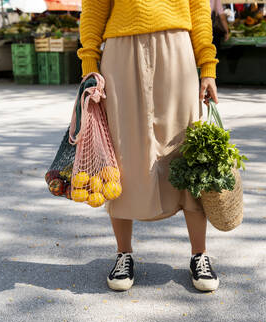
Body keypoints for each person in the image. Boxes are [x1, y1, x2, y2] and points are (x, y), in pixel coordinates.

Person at [78, 0, 220, 292]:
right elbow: (93, 7)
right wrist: (89, 63)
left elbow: (198, 9)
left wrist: (208, 66)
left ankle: (199, 254)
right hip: (120, 53)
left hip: (177, 49)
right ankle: (123, 253)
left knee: (186, 151)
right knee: (121, 151)